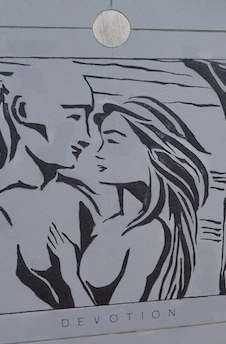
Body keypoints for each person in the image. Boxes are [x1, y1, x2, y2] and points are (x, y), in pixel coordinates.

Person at [0, 60, 96, 315]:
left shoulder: (78, 199)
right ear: (23, 110)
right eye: (73, 117)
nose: (87, 136)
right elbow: (23, 314)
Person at [76, 96, 209, 304]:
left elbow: (120, 312)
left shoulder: (149, 234)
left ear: (154, 153)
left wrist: (68, 273)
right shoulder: (110, 222)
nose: (99, 153)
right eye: (102, 140)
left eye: (112, 141)